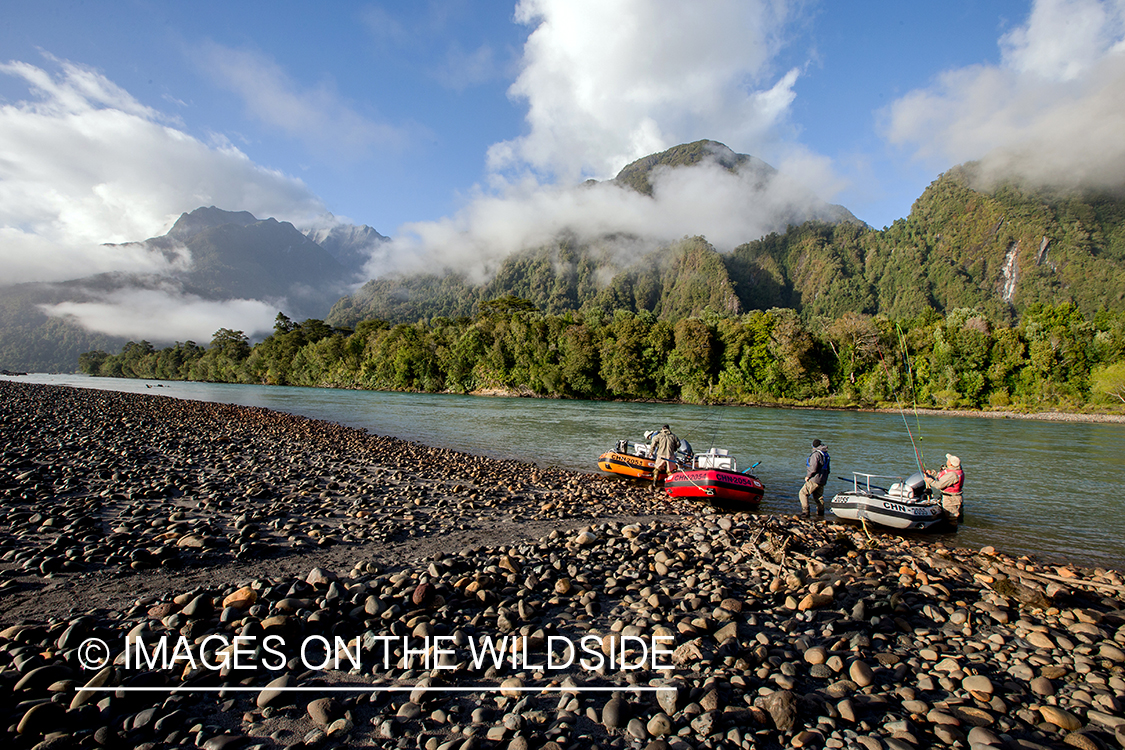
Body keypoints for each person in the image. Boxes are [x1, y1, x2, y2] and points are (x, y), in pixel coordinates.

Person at [925, 454, 965, 523]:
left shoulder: (952, 475)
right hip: (953, 498)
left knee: (951, 519)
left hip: (951, 500)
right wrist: (932, 474)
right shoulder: (955, 471)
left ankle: (952, 532)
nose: (947, 460)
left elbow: (938, 485)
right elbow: (944, 478)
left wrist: (928, 480)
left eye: (948, 460)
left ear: (951, 464)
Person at [799, 439, 830, 516]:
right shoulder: (825, 454)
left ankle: (805, 512)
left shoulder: (816, 454)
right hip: (822, 479)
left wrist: (808, 476)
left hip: (814, 479)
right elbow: (828, 469)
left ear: (814, 446)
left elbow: (813, 468)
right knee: (818, 497)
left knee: (803, 493)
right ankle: (821, 513)